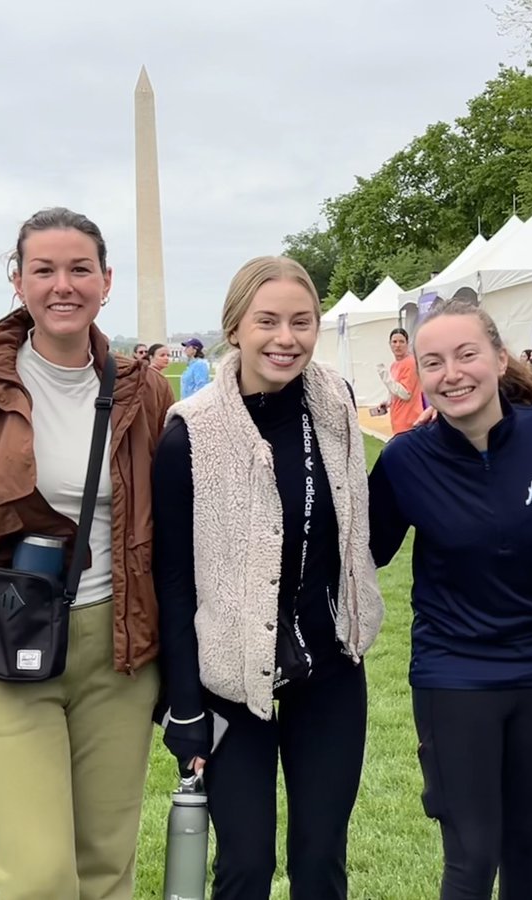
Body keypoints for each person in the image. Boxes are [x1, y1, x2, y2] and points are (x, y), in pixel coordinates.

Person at [0, 208, 174, 900]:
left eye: (80, 269)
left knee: (105, 868)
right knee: (39, 877)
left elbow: (174, 534)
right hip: (9, 645)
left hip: (118, 655)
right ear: (17, 281)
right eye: (44, 270)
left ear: (106, 281)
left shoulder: (143, 391)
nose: (63, 285)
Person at [368, 299, 532, 900]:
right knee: (472, 854)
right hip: (454, 675)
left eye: (467, 354)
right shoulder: (405, 461)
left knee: (527, 845)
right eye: (433, 362)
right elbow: (361, 554)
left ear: (497, 358)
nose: (452, 373)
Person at [152, 255, 384, 900]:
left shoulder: (334, 402)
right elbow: (172, 582)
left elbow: (355, 522)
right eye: (268, 321)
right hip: (230, 675)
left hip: (330, 666)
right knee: (245, 865)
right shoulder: (190, 437)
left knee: (319, 861)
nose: (287, 337)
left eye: (302, 322)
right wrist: (184, 705)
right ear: (235, 328)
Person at [371, 326, 424, 436]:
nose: (397, 345)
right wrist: (388, 402)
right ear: (389, 344)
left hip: (410, 421)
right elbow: (395, 391)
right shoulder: (394, 365)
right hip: (398, 420)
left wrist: (384, 376)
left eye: (401, 342)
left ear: (407, 343)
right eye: (394, 342)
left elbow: (405, 393)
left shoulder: (411, 363)